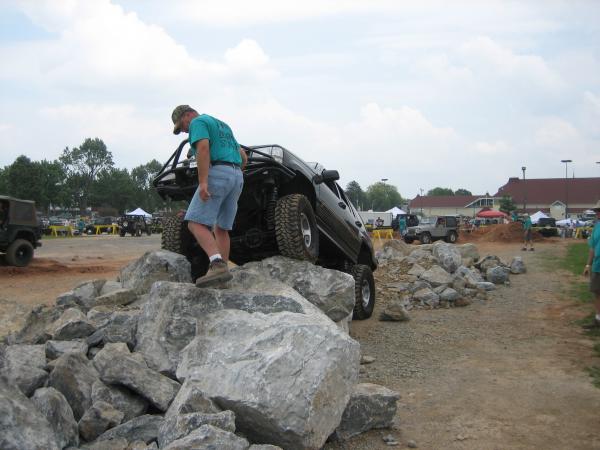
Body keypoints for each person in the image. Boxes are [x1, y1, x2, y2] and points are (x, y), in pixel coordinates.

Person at [171, 105, 247, 287]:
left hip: (218, 172)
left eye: (181, 126)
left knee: (194, 222)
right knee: (221, 228)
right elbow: (243, 156)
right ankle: (222, 276)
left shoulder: (198, 122)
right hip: (236, 175)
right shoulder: (222, 126)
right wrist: (234, 174)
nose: (183, 131)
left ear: (187, 115)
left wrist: (204, 181)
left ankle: (216, 263)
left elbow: (203, 148)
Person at [583, 200, 600, 329]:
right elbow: (592, 248)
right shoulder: (597, 226)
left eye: (599, 210)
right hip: (597, 266)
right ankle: (598, 319)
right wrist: (588, 265)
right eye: (596, 211)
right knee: (597, 293)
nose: (597, 213)